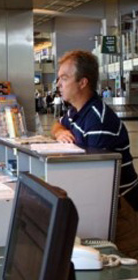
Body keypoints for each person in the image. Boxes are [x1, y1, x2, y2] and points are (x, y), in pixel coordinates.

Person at [51, 50, 138, 257]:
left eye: (64, 78)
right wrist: (61, 132)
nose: (58, 84)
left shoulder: (98, 120)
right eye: (58, 78)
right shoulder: (76, 112)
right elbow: (56, 125)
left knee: (122, 262)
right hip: (101, 201)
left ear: (83, 82)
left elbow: (97, 178)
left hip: (119, 209)